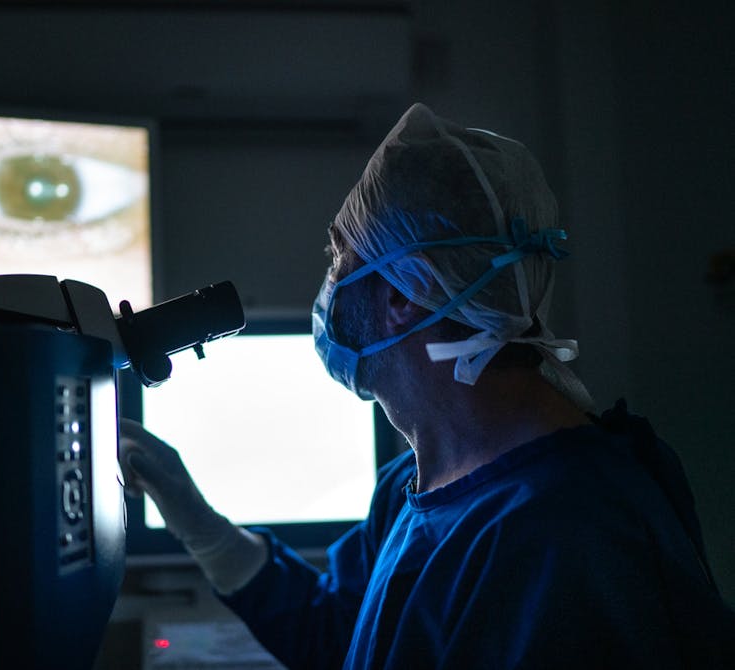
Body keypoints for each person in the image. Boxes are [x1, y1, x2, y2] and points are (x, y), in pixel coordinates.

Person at [119, 103, 735, 668]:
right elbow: (341, 636)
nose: (328, 286)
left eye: (339, 259)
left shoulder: (570, 539)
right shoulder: (419, 479)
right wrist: (199, 523)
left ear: (398, 299)